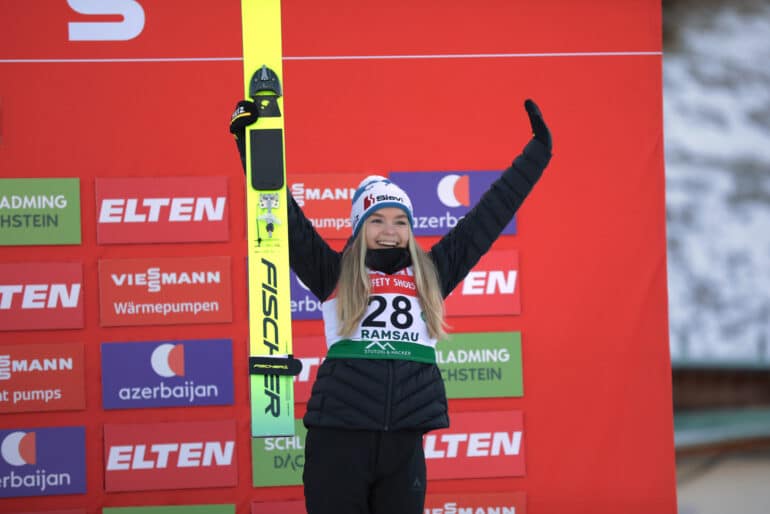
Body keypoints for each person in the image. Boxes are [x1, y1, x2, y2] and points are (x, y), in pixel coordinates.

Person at [230, 98, 552, 514]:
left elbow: (490, 214)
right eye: (377, 220)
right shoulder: (333, 273)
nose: (389, 231)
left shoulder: (432, 274)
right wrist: (251, 144)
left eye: (400, 221)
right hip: (338, 442)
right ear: (359, 226)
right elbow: (283, 214)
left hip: (403, 446)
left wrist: (538, 153)